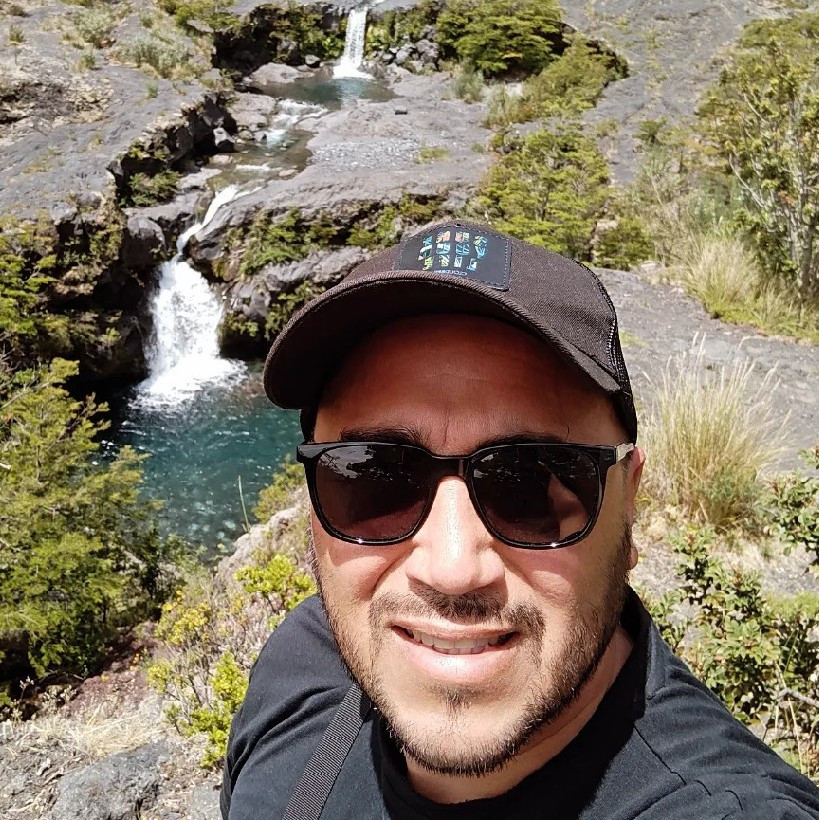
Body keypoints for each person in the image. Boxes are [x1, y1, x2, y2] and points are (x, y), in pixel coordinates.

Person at [221, 221, 819, 819]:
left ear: (629, 504)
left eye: (528, 485)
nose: (453, 569)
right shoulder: (303, 670)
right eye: (375, 478)